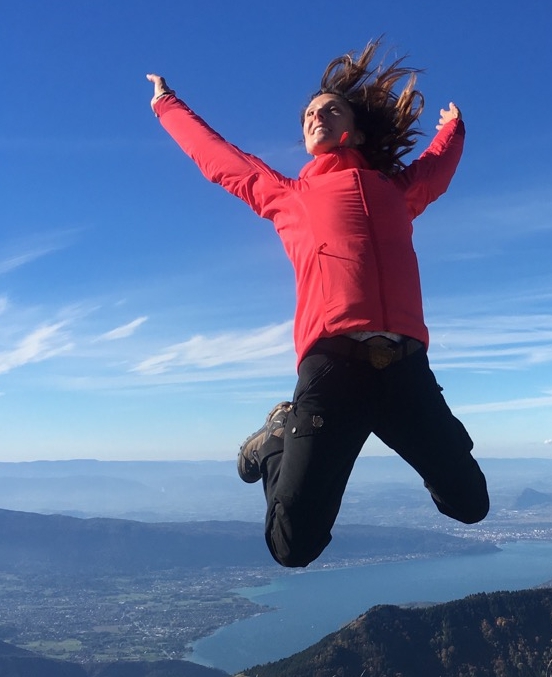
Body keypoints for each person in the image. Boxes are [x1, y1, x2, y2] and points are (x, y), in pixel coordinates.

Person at [147, 40, 489, 568]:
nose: (315, 116)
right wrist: (168, 104)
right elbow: (217, 159)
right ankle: (275, 438)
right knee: (292, 546)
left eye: (330, 108)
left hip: (405, 371)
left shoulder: (396, 193)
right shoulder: (288, 194)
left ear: (354, 127)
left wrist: (454, 128)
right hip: (333, 371)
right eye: (308, 113)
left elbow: (437, 168)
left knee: (471, 505)